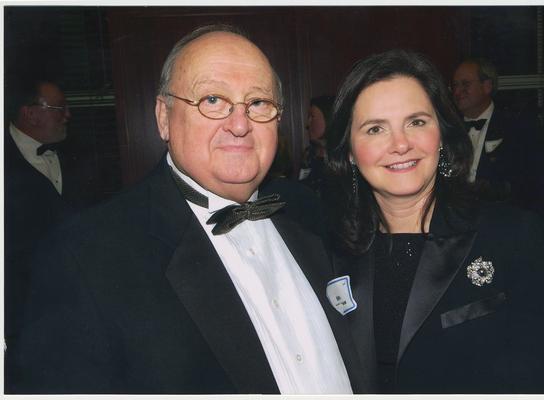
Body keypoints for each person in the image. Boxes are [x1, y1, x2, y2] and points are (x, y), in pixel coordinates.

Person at [7, 25, 366, 394]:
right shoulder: (84, 258)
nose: (240, 124)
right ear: (164, 117)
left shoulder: (308, 210)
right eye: (212, 99)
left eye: (258, 102)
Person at [324, 49, 544, 394]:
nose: (400, 144)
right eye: (375, 128)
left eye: (416, 122)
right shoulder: (328, 251)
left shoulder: (514, 236)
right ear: (350, 151)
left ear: (441, 134)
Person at [451, 57, 544, 240]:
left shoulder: (518, 128)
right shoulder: (447, 131)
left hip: (506, 232)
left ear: (487, 86)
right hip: (459, 233)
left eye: (465, 84)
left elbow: (537, 185)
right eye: (454, 85)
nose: (457, 91)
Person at [4, 77, 74, 349]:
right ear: (30, 113)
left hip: (69, 304)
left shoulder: (75, 156)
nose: (68, 115)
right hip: (19, 315)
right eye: (60, 108)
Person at [298, 95, 335, 195]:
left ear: (329, 119)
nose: (308, 124)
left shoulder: (343, 159)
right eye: (308, 117)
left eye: (312, 117)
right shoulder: (308, 156)